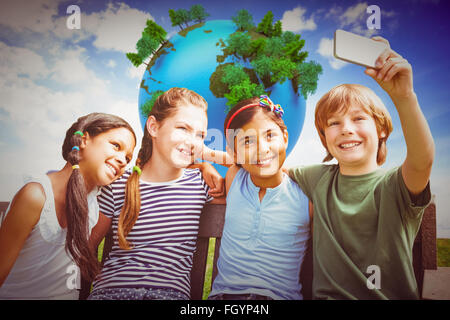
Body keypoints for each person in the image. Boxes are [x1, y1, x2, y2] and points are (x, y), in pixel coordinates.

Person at [289, 37, 434, 299]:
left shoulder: (395, 186)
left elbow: (422, 160)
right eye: (333, 123)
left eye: (358, 118)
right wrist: (207, 162)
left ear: (381, 129)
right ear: (324, 137)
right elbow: (268, 167)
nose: (345, 129)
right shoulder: (316, 177)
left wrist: (404, 97)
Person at [88, 87, 225, 300]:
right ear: (154, 127)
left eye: (200, 135)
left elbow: (257, 163)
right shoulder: (118, 185)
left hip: (168, 295)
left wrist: (206, 158)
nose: (192, 140)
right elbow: (87, 247)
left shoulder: (201, 184)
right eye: (182, 128)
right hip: (111, 293)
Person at [0, 113, 137, 299]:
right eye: (116, 145)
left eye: (128, 158)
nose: (122, 160)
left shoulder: (95, 206)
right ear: (83, 140)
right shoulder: (35, 196)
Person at [208, 95, 311, 300]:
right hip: (224, 297)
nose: (262, 149)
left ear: (285, 137)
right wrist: (203, 164)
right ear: (234, 153)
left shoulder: (306, 196)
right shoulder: (235, 178)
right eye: (247, 141)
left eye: (270, 136)